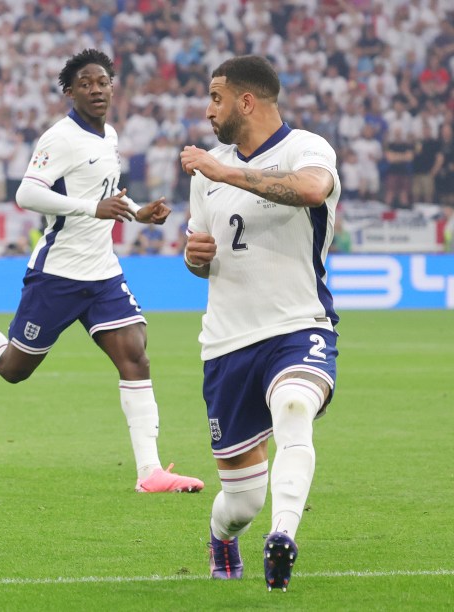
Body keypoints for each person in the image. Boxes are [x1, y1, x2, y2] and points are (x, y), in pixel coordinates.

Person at [0, 49, 203, 495]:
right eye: (86, 83)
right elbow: (27, 194)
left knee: (135, 356)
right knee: (13, 368)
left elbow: (104, 194)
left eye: (103, 81)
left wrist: (137, 212)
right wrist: (92, 207)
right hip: (58, 274)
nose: (97, 89)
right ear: (70, 91)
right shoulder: (59, 138)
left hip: (102, 270)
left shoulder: (110, 136)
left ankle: (150, 472)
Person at [178, 55, 341, 592]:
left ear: (247, 101)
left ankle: (284, 537)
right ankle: (223, 534)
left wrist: (225, 171)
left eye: (216, 98)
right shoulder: (208, 174)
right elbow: (199, 255)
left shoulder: (307, 148)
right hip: (227, 343)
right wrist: (194, 255)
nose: (208, 110)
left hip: (298, 325)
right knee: (241, 499)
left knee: (295, 406)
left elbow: (313, 189)